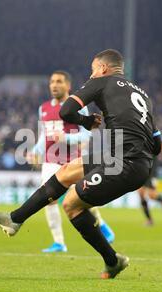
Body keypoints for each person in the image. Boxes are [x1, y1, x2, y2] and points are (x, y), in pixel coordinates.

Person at [0, 49, 162, 279]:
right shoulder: (143, 96)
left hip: (126, 162)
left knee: (71, 204)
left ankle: (112, 260)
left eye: (93, 69)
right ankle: (15, 219)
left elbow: (65, 111)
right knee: (68, 171)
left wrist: (86, 121)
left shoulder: (102, 82)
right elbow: (157, 144)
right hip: (128, 159)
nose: (92, 74)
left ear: (103, 68)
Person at [29, 70, 115, 253]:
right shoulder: (43, 108)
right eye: (52, 81)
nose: (54, 85)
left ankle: (103, 226)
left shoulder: (78, 107)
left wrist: (66, 138)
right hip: (51, 160)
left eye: (59, 81)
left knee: (82, 196)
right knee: (49, 200)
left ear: (68, 85)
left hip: (73, 160)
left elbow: (87, 133)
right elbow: (44, 134)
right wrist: (35, 150)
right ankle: (59, 242)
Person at [138, 135, 162, 226]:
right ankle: (149, 220)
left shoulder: (154, 132)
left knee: (151, 195)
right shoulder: (139, 131)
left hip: (152, 170)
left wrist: (157, 150)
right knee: (140, 193)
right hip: (141, 167)